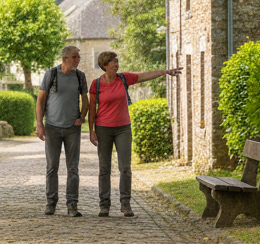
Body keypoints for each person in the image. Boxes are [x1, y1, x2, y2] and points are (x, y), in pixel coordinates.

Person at [88, 51, 181, 217]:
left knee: (125, 168)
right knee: (104, 168)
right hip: (103, 129)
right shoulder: (97, 84)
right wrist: (91, 131)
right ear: (105, 65)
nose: (116, 65)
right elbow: (92, 109)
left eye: (117, 61)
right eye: (113, 62)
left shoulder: (123, 78)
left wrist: (165, 72)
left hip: (123, 128)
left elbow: (143, 76)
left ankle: (125, 204)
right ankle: (104, 205)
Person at [35, 46, 89, 217]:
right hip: (52, 127)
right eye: (74, 57)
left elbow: (85, 100)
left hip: (73, 128)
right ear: (65, 58)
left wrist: (82, 117)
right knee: (52, 167)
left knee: (73, 168)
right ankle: (51, 203)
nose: (78, 59)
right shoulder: (51, 74)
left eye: (78, 57)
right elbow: (40, 100)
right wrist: (39, 124)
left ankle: (72, 205)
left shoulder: (80, 76)